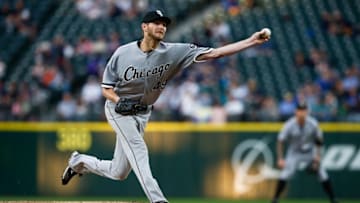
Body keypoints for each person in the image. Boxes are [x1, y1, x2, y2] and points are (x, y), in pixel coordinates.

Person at [61, 10, 269, 203]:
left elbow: (215, 53)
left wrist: (251, 41)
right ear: (144, 27)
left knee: (119, 172)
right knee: (138, 149)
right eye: (156, 23)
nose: (161, 27)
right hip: (118, 110)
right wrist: (118, 101)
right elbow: (106, 88)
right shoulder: (122, 53)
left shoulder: (174, 52)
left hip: (143, 113)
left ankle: (79, 161)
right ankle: (158, 200)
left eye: (164, 24)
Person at [271, 102, 338, 203]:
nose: (301, 113)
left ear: (307, 112)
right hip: (294, 152)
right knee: (285, 174)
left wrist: (317, 157)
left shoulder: (313, 123)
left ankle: (333, 199)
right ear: (296, 112)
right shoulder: (289, 124)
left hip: (310, 152)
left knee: (322, 173)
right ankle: (275, 199)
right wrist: (280, 158)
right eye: (299, 110)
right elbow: (280, 141)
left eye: (303, 110)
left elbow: (319, 141)